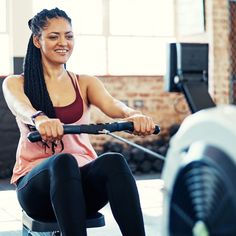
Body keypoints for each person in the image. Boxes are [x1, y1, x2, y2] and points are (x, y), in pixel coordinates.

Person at [2, 8, 156, 236]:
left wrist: (133, 116)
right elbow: (20, 107)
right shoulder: (16, 83)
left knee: (113, 161)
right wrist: (39, 119)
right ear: (37, 40)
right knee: (62, 162)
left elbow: (115, 106)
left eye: (69, 36)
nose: (63, 42)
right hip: (36, 188)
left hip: (82, 187)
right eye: (54, 36)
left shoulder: (85, 83)